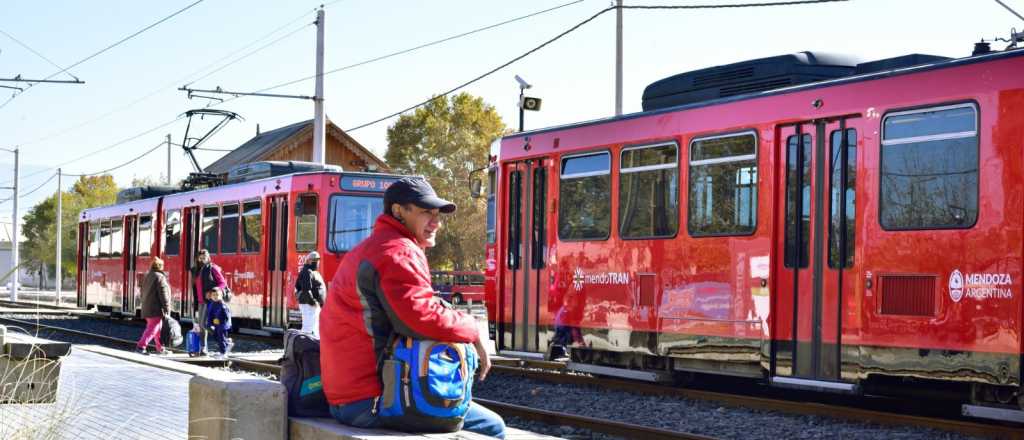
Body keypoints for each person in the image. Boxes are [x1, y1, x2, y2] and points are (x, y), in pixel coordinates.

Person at [320, 177, 505, 439]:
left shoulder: (370, 247)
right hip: (372, 399)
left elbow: (415, 307)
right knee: (494, 428)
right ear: (398, 211)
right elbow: (419, 319)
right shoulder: (397, 251)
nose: (436, 222)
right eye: (426, 213)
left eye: (438, 215)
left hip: (346, 397)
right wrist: (472, 329)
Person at [192, 249, 226, 355]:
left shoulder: (212, 268)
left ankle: (223, 340)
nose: (202, 260)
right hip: (200, 301)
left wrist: (212, 292)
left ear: (208, 258)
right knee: (201, 326)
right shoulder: (197, 270)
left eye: (204, 258)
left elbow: (222, 283)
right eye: (200, 258)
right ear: (198, 259)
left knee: (205, 324)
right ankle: (203, 348)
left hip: (209, 301)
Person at [136, 257, 172, 355]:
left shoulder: (147, 276)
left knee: (158, 329)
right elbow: (163, 294)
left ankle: (160, 348)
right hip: (155, 308)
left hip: (147, 307)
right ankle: (141, 346)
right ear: (160, 266)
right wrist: (167, 308)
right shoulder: (160, 277)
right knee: (152, 329)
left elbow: (141, 292)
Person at [295, 251, 325, 337]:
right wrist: (313, 302)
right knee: (308, 328)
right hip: (308, 304)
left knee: (314, 328)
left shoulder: (313, 272)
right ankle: (303, 344)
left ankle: (313, 344)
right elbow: (306, 290)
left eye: (318, 260)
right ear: (308, 261)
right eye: (314, 260)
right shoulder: (307, 271)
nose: (317, 262)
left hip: (312, 305)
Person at [205, 287, 233, 358]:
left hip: (223, 324)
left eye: (217, 295)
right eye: (213, 295)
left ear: (221, 296)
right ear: (211, 296)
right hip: (216, 324)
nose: (215, 297)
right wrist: (209, 324)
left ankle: (223, 352)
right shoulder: (212, 304)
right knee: (215, 335)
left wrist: (222, 323)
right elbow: (210, 314)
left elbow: (227, 316)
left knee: (221, 337)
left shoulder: (223, 305)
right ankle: (227, 343)